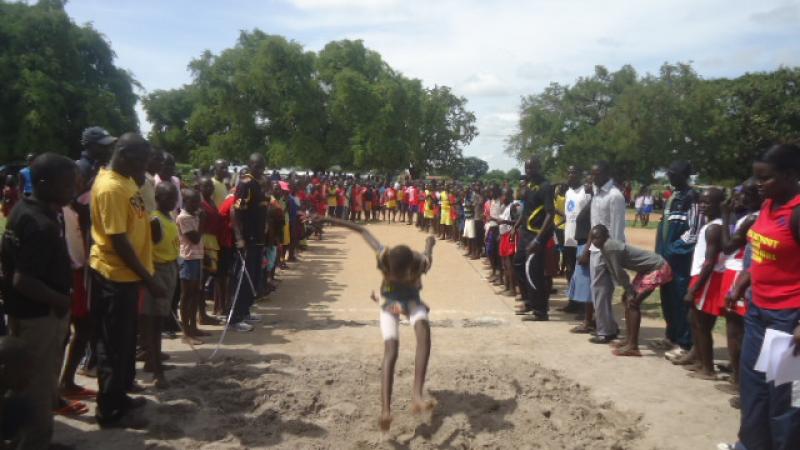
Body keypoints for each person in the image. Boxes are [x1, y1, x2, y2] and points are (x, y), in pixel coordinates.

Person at [321, 217, 436, 431]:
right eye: (391, 273)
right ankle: (385, 410)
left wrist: (430, 241)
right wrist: (326, 219)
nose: (393, 276)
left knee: (423, 331)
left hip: (412, 302)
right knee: (391, 349)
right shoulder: (384, 255)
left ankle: (417, 395)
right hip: (389, 303)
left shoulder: (421, 262)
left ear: (410, 268)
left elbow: (429, 248)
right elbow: (361, 228)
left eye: (398, 275)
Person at [1, 154, 76, 449]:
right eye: (67, 184)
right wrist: (62, 300)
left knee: (31, 385)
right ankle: (35, 442)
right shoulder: (39, 223)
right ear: (44, 183)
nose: (72, 189)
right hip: (40, 316)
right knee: (39, 387)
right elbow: (23, 279)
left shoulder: (21, 211)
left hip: (23, 311)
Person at [730, 144, 800, 450]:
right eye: (756, 177)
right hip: (759, 311)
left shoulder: (797, 214)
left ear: (789, 175)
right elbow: (761, 253)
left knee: (783, 395)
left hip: (787, 319)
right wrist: (744, 280)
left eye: (766, 178)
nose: (758, 184)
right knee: (754, 387)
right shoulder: (769, 206)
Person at [89, 133, 158, 429]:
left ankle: (120, 394)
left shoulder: (128, 179)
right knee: (112, 345)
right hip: (114, 276)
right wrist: (148, 278)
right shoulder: (110, 188)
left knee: (125, 342)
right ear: (125, 154)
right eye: (141, 160)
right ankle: (109, 410)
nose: (144, 166)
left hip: (129, 277)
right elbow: (118, 240)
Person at [591, 225, 673, 357]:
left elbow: (620, 273)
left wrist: (629, 290)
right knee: (627, 300)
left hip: (657, 267)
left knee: (633, 302)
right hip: (646, 270)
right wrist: (628, 289)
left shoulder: (609, 246)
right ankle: (629, 340)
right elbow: (614, 271)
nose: (594, 240)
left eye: (597, 237)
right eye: (592, 238)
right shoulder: (605, 248)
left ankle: (633, 346)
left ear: (606, 236)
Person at [718, 179, 761, 398]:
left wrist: (725, 215)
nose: (738, 198)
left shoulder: (751, 219)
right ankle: (738, 378)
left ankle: (740, 383)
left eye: (744, 194)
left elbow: (727, 247)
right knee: (737, 330)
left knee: (737, 331)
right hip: (738, 272)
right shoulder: (753, 216)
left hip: (739, 273)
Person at [657, 161, 701, 360]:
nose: (669, 177)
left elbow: (694, 230)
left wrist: (674, 249)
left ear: (684, 176)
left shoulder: (692, 198)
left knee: (681, 299)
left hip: (681, 260)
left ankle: (684, 343)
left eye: (673, 174)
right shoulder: (673, 197)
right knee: (667, 297)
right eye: (669, 173)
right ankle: (671, 336)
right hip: (666, 257)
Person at [580, 161, 625, 342]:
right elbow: (593, 227)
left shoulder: (615, 196)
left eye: (597, 174)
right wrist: (589, 250)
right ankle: (609, 326)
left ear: (607, 173)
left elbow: (616, 229)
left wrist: (611, 256)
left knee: (601, 291)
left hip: (607, 251)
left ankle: (605, 331)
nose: (593, 178)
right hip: (596, 250)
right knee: (599, 290)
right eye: (592, 175)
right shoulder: (596, 194)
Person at [142, 182, 180, 389]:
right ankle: (157, 372)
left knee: (161, 320)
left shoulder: (169, 217)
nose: (173, 201)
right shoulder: (155, 220)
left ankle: (152, 361)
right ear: (157, 197)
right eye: (168, 197)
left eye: (175, 197)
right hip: (158, 271)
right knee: (154, 325)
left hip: (170, 269)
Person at [514, 157, 556, 321]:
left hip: (537, 235)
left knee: (534, 272)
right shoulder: (529, 186)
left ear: (539, 167)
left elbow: (550, 214)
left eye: (532, 168)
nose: (529, 171)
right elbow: (527, 210)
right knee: (518, 264)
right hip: (525, 233)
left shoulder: (545, 187)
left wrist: (538, 240)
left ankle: (540, 311)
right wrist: (517, 227)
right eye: (527, 168)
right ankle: (530, 300)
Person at [231, 155, 269, 333]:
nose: (260, 168)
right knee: (242, 278)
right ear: (249, 165)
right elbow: (236, 212)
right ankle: (235, 318)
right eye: (256, 165)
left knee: (252, 277)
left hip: (259, 239)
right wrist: (240, 238)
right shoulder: (246, 183)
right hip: (248, 239)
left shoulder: (258, 184)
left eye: (262, 165)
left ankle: (245, 311)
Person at [561, 166, 590, 313]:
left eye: (574, 172)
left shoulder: (586, 192)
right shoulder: (568, 192)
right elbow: (568, 215)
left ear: (580, 175)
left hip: (582, 239)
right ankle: (572, 301)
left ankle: (583, 305)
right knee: (569, 270)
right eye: (569, 172)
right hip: (568, 238)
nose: (570, 175)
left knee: (582, 273)